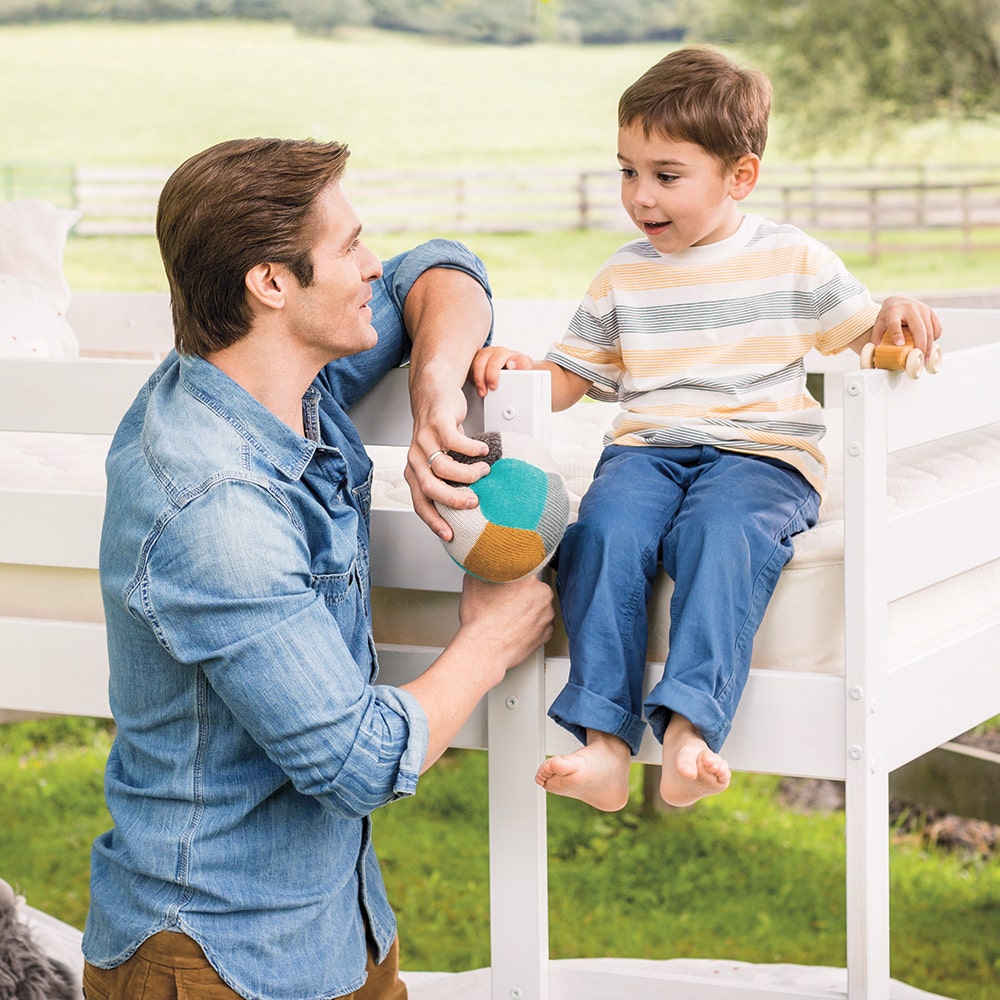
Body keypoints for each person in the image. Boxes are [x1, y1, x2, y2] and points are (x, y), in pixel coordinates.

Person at [81, 137, 554, 1000]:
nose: (371, 266)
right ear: (270, 282)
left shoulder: (280, 379)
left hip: (337, 928)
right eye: (348, 247)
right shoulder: (213, 510)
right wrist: (491, 639)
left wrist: (435, 386)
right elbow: (356, 762)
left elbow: (441, 268)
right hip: (213, 958)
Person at [472, 46, 941, 812]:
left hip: (762, 455)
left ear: (739, 176)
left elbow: (864, 336)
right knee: (602, 536)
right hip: (648, 451)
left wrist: (893, 314)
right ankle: (605, 745)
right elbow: (571, 378)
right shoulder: (625, 274)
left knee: (718, 536)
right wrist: (520, 370)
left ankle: (690, 731)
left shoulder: (793, 258)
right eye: (627, 171)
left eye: (665, 175)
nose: (640, 197)